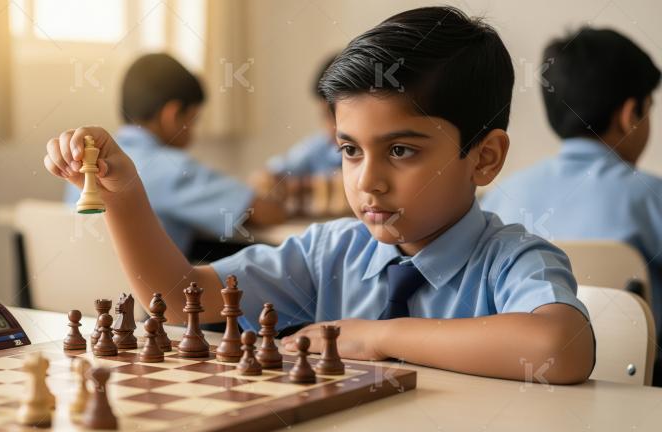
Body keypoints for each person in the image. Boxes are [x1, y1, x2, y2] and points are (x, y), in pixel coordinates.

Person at [45, 7, 594, 384]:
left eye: (401, 150)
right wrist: (125, 195)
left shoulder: (511, 259)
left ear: (484, 157)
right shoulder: (330, 253)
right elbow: (181, 294)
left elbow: (559, 347)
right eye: (349, 150)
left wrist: (376, 338)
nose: (367, 180)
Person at [481, 27, 660, 383]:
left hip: (517, 381)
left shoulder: (501, 194)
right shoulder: (651, 196)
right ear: (630, 114)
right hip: (640, 387)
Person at [64, 53, 285, 255]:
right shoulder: (174, 169)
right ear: (172, 115)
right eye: (193, 120)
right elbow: (266, 213)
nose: (194, 133)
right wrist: (271, 190)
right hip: (154, 287)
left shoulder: (85, 164)